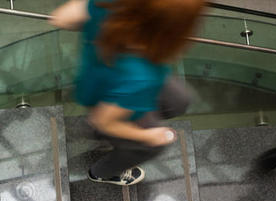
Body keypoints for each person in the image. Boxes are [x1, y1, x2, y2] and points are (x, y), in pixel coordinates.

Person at [51, 0, 205, 185]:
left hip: (103, 79)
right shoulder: (141, 77)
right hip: (116, 96)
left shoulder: (113, 6)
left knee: (179, 101)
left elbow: (61, 18)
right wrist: (150, 136)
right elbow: (104, 121)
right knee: (148, 148)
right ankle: (102, 172)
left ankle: (109, 134)